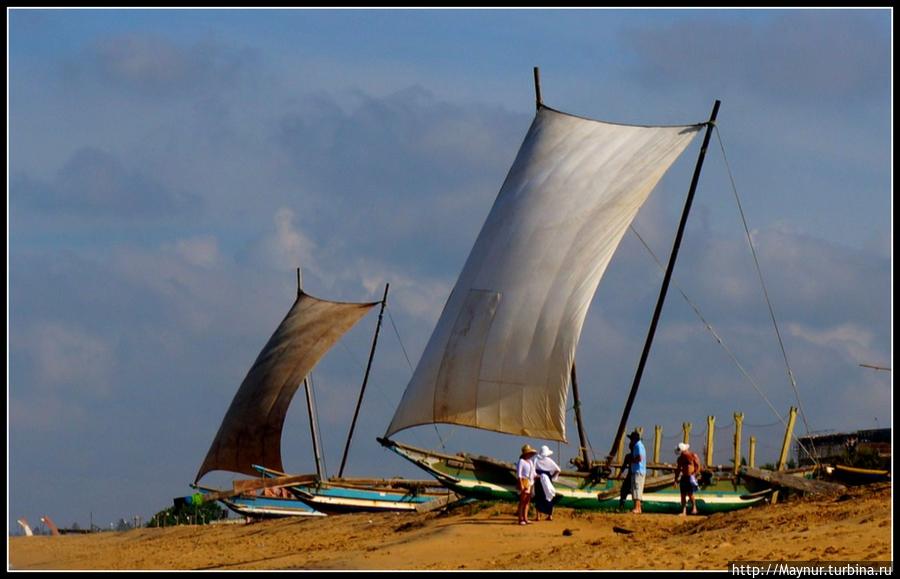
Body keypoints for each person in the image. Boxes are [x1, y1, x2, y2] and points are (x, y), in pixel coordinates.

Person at [533, 445, 561, 521]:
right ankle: (550, 515)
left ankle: (538, 516)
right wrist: (551, 477)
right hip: (547, 480)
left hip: (539, 480)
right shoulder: (549, 461)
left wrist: (537, 476)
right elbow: (558, 469)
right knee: (549, 496)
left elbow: (533, 470)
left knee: (538, 497)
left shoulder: (536, 460)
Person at [674, 442, 702, 515]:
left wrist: (695, 475)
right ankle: (684, 511)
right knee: (683, 494)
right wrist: (676, 480)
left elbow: (698, 466)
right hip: (684, 477)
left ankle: (694, 507)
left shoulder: (693, 456)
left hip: (691, 476)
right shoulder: (680, 459)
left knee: (690, 494)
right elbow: (678, 469)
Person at [516, 444, 538, 525]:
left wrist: (539, 477)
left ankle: (525, 518)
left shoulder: (530, 462)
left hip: (530, 482)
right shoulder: (521, 461)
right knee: (522, 501)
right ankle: (520, 518)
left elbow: (533, 473)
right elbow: (519, 474)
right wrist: (521, 484)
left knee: (527, 502)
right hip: (524, 481)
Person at [628, 430, 647, 514]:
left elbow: (639, 458)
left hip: (638, 470)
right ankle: (638, 508)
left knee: (636, 488)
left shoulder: (637, 446)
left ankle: (636, 507)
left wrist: (632, 460)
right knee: (637, 489)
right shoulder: (640, 445)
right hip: (639, 470)